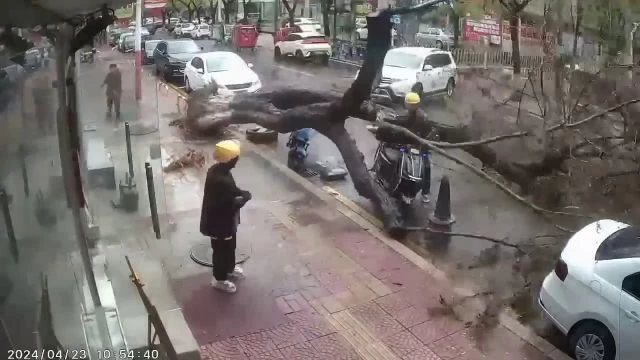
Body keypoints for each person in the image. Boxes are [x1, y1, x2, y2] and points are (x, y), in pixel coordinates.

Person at [200, 140, 252, 293]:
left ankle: (229, 267)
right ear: (229, 159)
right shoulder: (220, 180)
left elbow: (232, 190)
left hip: (226, 222)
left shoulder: (218, 170)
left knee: (230, 246)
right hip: (219, 224)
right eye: (235, 158)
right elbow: (229, 204)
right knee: (221, 251)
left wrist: (240, 193)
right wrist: (245, 198)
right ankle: (219, 279)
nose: (236, 162)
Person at [392, 91, 433, 203]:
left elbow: (429, 133)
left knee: (425, 167)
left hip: (418, 148)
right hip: (413, 147)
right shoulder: (415, 116)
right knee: (425, 167)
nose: (410, 106)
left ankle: (424, 192)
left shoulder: (421, 118)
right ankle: (423, 192)